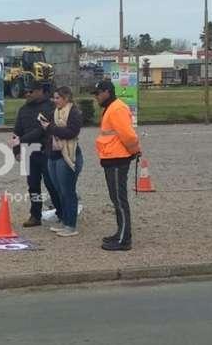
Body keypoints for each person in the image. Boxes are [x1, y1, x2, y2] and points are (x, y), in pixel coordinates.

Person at [94, 78, 140, 251]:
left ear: (107, 92)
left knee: (120, 200)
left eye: (98, 93)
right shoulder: (111, 108)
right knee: (117, 199)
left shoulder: (117, 108)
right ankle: (121, 233)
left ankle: (124, 240)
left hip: (117, 159)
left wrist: (134, 150)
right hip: (112, 158)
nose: (96, 97)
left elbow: (128, 135)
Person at [10, 83, 61, 227]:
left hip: (46, 152)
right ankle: (35, 215)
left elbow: (41, 130)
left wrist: (22, 140)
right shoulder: (23, 110)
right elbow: (17, 131)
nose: (27, 94)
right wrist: (16, 150)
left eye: (31, 91)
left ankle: (61, 212)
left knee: (51, 184)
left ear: (40, 91)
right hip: (29, 152)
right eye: (26, 92)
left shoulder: (50, 107)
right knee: (33, 186)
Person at [38, 86, 84, 237]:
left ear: (66, 98)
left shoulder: (74, 113)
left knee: (68, 191)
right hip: (53, 154)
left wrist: (50, 128)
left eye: (58, 98)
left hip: (68, 155)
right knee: (59, 190)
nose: (55, 100)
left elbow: (71, 132)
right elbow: (51, 132)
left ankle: (71, 225)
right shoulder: (55, 112)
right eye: (54, 97)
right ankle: (64, 221)